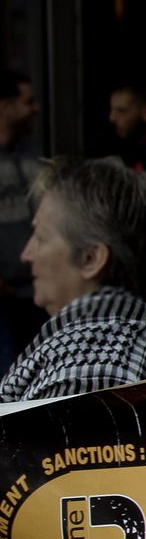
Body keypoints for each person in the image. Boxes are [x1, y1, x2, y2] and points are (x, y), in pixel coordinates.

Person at [1, 157, 146, 400]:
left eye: (40, 237)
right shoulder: (145, 343)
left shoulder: (86, 376)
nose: (26, 255)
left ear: (91, 259)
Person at [0, 70, 42, 371]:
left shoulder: (33, 153)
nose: (35, 108)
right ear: (4, 106)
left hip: (37, 290)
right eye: (27, 101)